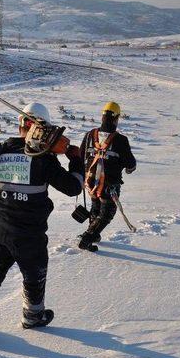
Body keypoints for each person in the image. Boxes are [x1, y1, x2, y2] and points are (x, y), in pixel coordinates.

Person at [0, 102, 84, 343]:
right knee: (34, 275)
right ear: (42, 128)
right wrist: (77, 162)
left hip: (1, 231)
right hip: (30, 235)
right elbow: (73, 188)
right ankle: (32, 316)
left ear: (21, 125)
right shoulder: (42, 158)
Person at [78, 102, 136, 252]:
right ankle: (88, 237)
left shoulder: (90, 135)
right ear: (116, 118)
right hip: (109, 183)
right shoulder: (120, 140)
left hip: (90, 182)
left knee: (96, 207)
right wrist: (128, 169)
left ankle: (93, 235)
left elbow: (80, 156)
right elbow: (130, 163)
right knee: (107, 211)